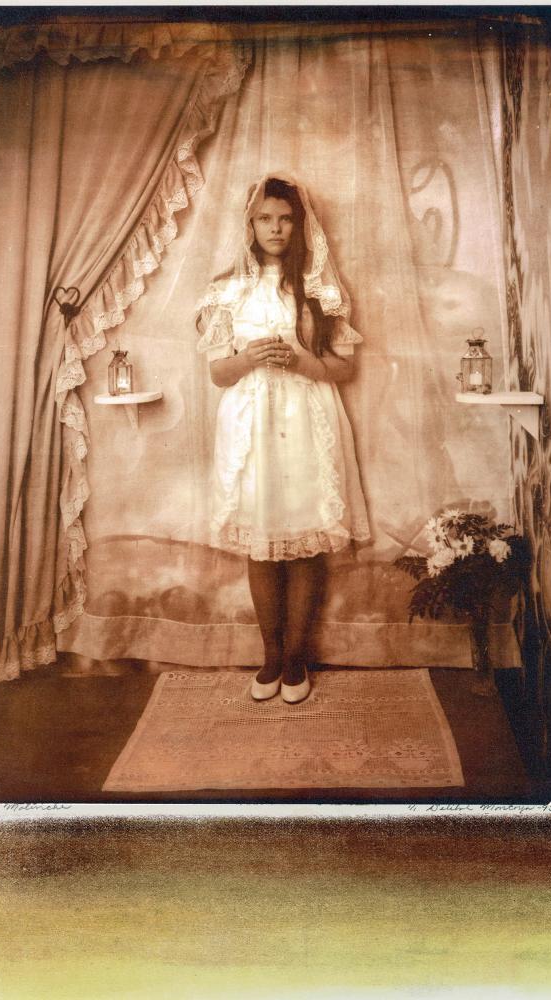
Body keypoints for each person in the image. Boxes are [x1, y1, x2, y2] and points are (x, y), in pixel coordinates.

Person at [196, 172, 370, 703]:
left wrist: (303, 362)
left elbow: (345, 369)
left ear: (299, 224)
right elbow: (217, 375)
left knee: (304, 545)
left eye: (285, 218)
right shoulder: (228, 288)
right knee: (263, 546)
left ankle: (296, 660)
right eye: (266, 218)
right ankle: (269, 656)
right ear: (250, 224)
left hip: (305, 415)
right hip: (251, 423)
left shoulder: (319, 287)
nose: (276, 228)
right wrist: (249, 358)